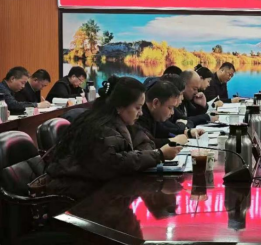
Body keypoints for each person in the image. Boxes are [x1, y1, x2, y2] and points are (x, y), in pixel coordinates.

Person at [46, 76, 182, 199]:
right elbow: (114, 164)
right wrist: (159, 155)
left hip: (92, 190)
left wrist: (151, 153)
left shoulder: (122, 122)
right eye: (137, 108)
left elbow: (145, 142)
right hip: (75, 196)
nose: (141, 113)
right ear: (120, 106)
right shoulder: (101, 128)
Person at [135, 80, 200, 148]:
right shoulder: (139, 117)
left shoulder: (153, 114)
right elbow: (149, 144)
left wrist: (187, 133)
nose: (172, 112)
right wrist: (173, 141)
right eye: (170, 107)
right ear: (156, 103)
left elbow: (164, 132)